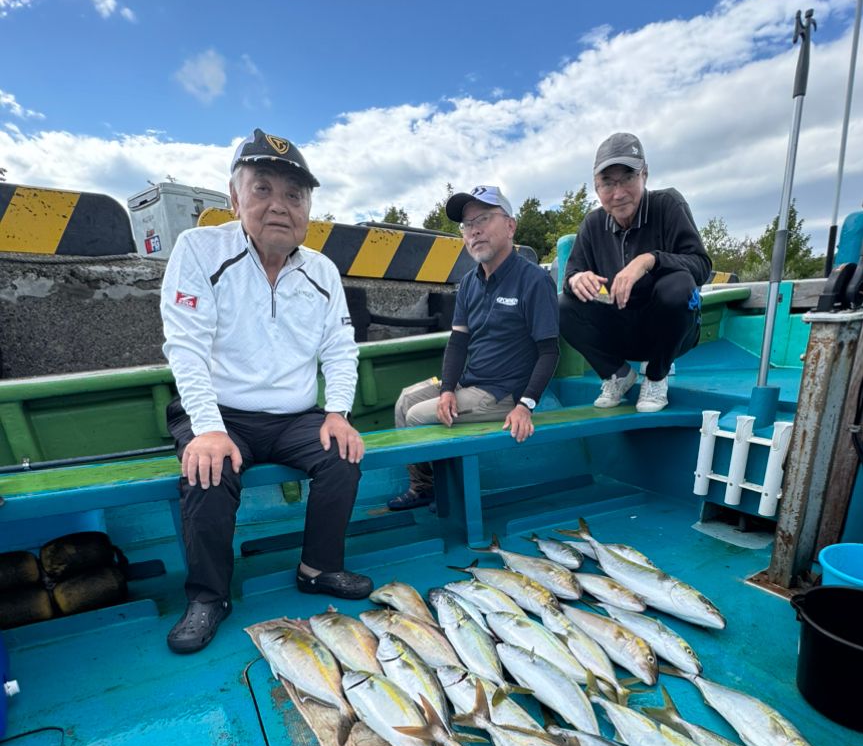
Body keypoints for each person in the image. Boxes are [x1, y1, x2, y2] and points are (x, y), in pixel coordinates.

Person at [160, 127, 371, 654]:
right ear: (234, 198)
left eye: (294, 195)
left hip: (295, 415)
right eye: (263, 189)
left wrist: (338, 412)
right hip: (219, 411)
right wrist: (207, 429)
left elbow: (341, 349)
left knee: (341, 455)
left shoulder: (322, 269)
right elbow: (184, 346)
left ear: (309, 209)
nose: (280, 205)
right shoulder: (198, 249)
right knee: (208, 471)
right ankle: (209, 596)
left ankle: (318, 568)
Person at [387, 186, 560, 510]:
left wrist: (525, 405)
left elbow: (549, 351)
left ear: (510, 226)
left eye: (483, 218)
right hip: (471, 383)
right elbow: (458, 342)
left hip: (502, 394)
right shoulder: (469, 282)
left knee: (416, 416)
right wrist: (449, 389)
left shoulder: (533, 280)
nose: (474, 230)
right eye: (467, 225)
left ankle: (452, 497)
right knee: (404, 401)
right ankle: (424, 486)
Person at [560, 131, 711, 413]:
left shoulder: (668, 205)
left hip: (669, 331)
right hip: (619, 329)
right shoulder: (592, 224)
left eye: (627, 178)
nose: (618, 193)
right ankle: (618, 374)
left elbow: (701, 266)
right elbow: (571, 274)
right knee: (560, 304)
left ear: (644, 175)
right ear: (596, 187)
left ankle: (656, 376)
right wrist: (578, 279)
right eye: (607, 183)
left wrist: (648, 260)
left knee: (678, 286)